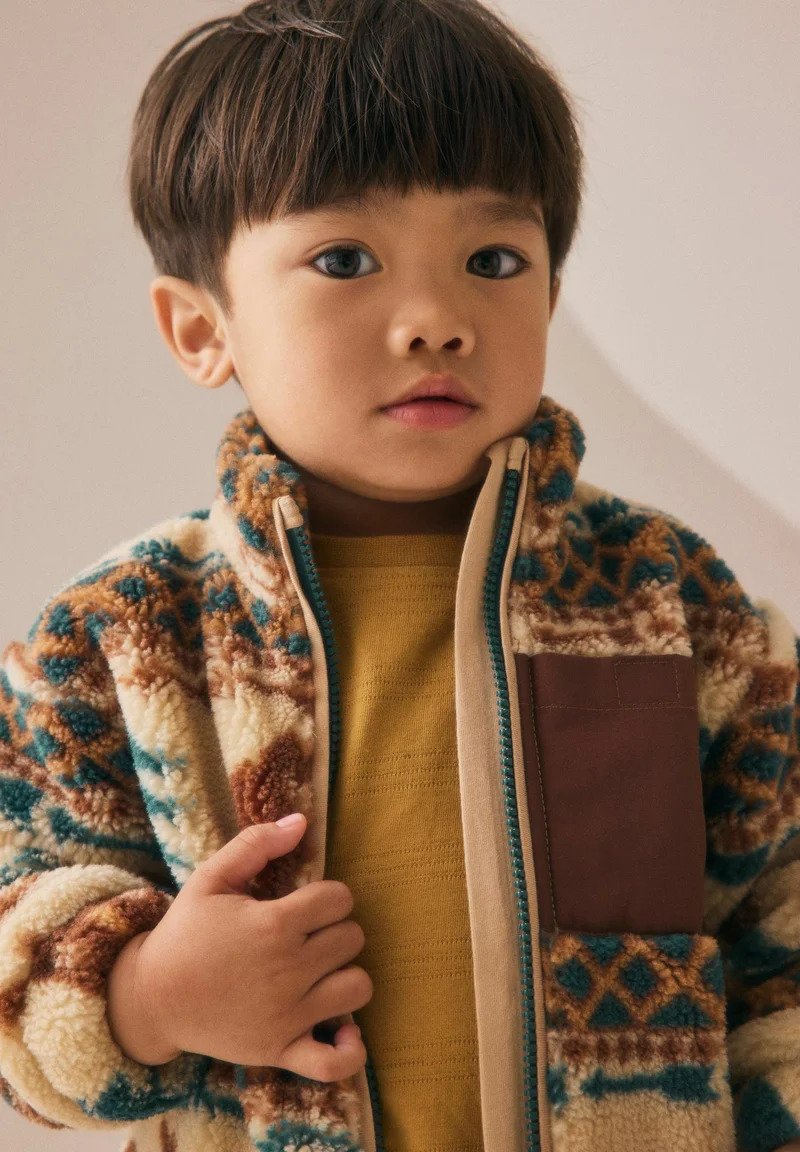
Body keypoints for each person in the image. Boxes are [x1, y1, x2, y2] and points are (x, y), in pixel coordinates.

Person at [1, 1, 798, 1150]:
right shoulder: (124, 637)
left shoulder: (672, 605)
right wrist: (144, 996)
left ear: (549, 295)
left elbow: (782, 925)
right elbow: (14, 925)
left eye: (491, 261)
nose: (434, 319)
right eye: (343, 260)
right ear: (200, 329)